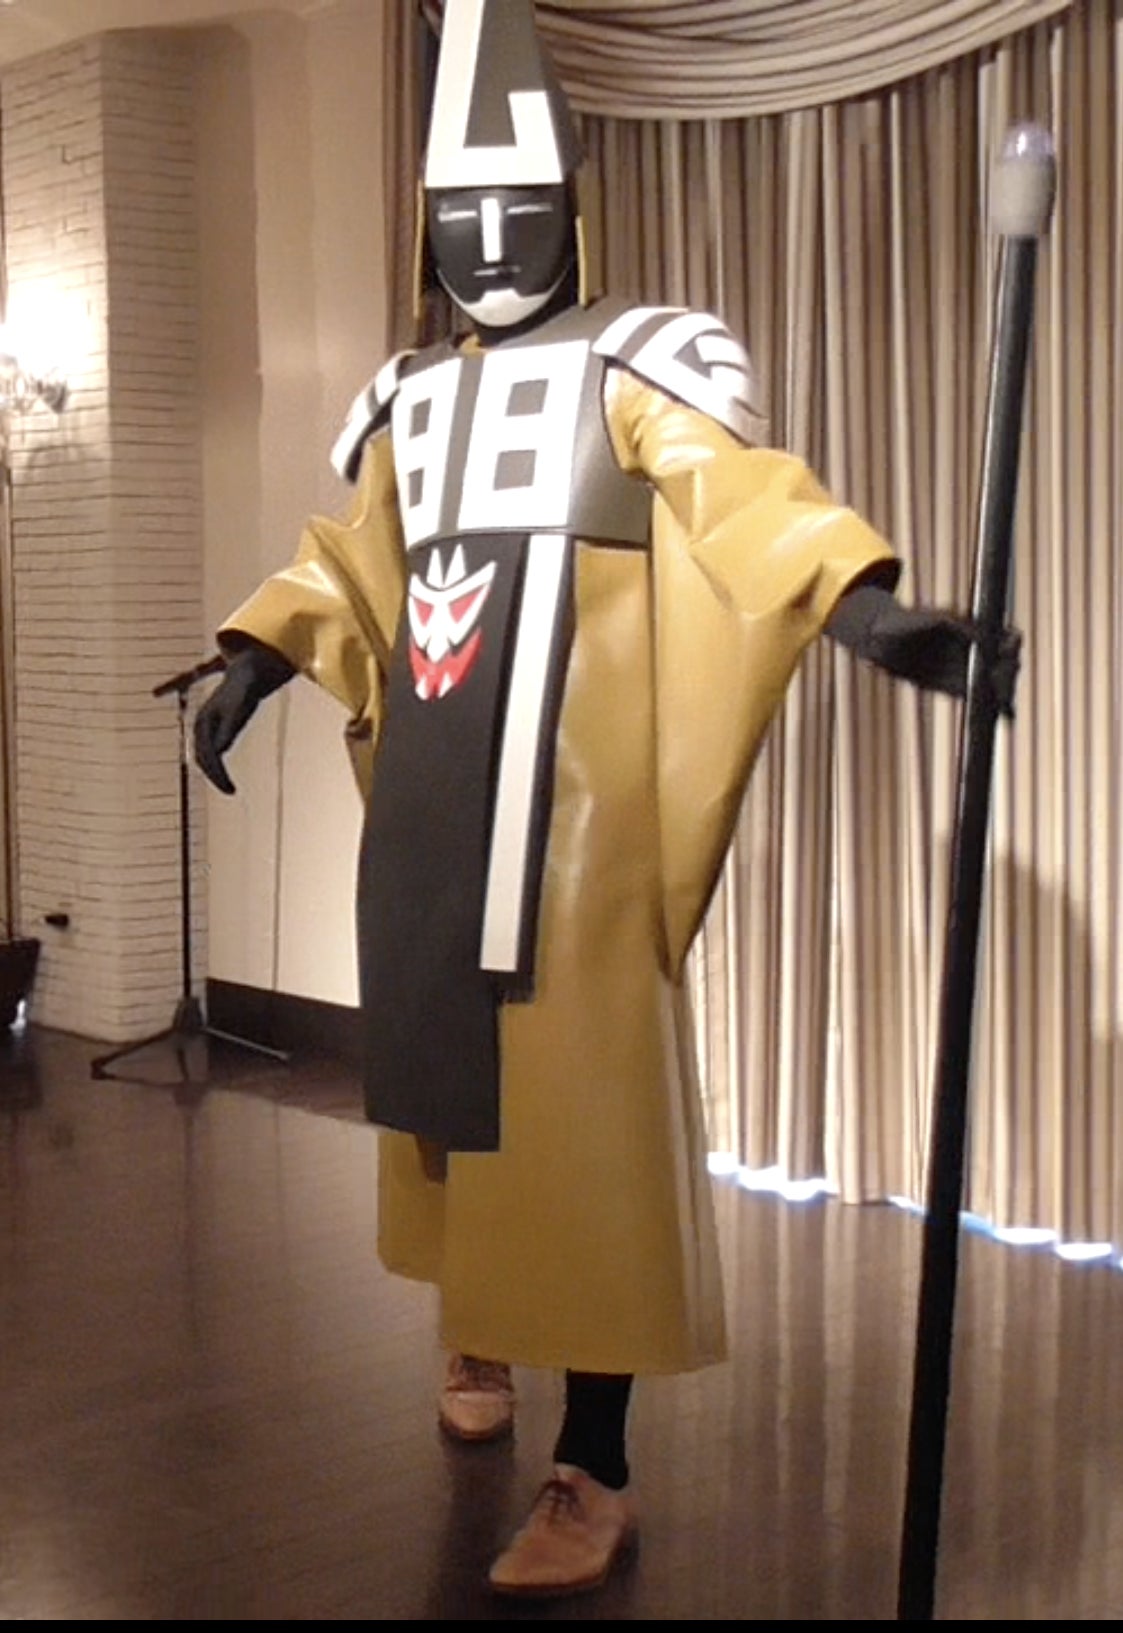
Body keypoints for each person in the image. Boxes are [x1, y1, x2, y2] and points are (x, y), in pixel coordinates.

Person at [194, 0, 1017, 1600]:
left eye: (523, 206)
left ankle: (599, 1463)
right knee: (445, 1104)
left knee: (584, 1130)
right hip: (435, 808)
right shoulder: (410, 401)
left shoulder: (635, 372)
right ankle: (478, 1328)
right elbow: (350, 561)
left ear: (572, 208)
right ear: (430, 229)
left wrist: (863, 610)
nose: (495, 238)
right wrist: (258, 659)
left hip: (573, 827)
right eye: (464, 212)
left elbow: (739, 500)